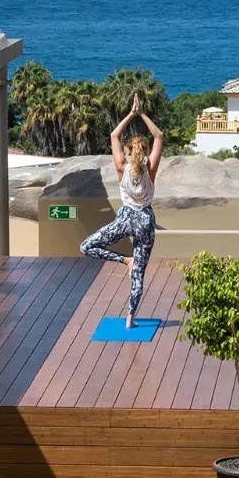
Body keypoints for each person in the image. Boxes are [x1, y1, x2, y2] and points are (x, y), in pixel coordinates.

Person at [80, 93, 164, 327]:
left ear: (128, 151)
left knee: (87, 246)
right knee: (139, 275)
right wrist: (143, 114)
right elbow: (159, 135)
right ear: (145, 151)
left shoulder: (121, 167)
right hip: (146, 221)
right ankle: (130, 318)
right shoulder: (151, 169)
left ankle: (124, 260)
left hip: (126, 218)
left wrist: (130, 113)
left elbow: (114, 134)